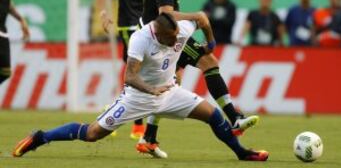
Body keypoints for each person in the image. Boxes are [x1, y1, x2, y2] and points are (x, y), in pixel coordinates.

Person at [12, 13, 269, 162]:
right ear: (158, 34)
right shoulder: (140, 40)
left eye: (179, 36)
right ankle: (40, 137)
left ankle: (242, 154)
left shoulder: (179, 29)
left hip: (170, 93)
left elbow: (202, 18)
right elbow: (129, 76)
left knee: (212, 115)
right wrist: (150, 89)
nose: (177, 41)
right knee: (92, 134)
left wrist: (210, 44)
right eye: (172, 38)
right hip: (137, 98)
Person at [139, 0, 259, 157]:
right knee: (209, 62)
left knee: (172, 80)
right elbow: (164, 15)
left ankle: (149, 137)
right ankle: (234, 118)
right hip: (160, 34)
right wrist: (196, 17)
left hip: (159, 30)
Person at [95, 0, 160, 140]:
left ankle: (115, 111)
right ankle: (138, 125)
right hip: (129, 24)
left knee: (150, 72)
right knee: (136, 70)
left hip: (153, 25)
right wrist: (103, 12)